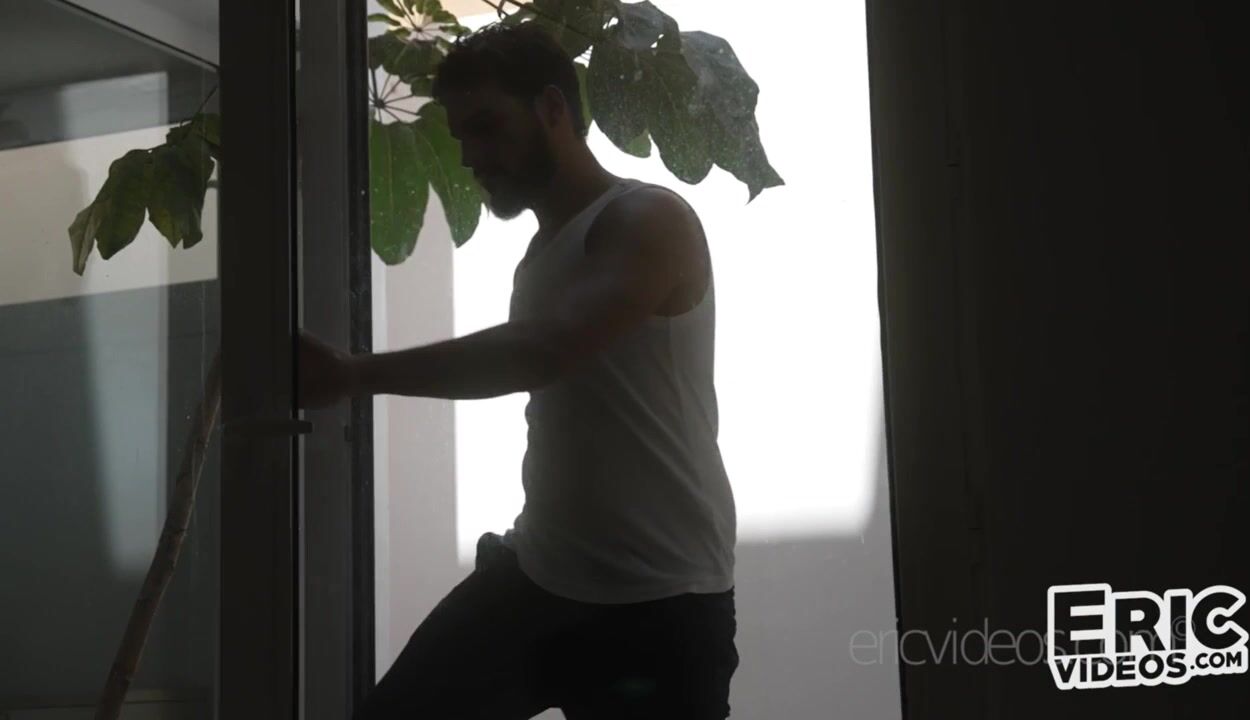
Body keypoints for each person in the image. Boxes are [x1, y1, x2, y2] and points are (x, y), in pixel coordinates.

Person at [299, 21, 738, 720]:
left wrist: (353, 375)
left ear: (553, 108)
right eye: (460, 135)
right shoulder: (545, 252)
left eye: (486, 126)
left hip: (659, 606)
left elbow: (544, 350)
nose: (470, 155)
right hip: (539, 576)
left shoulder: (647, 218)